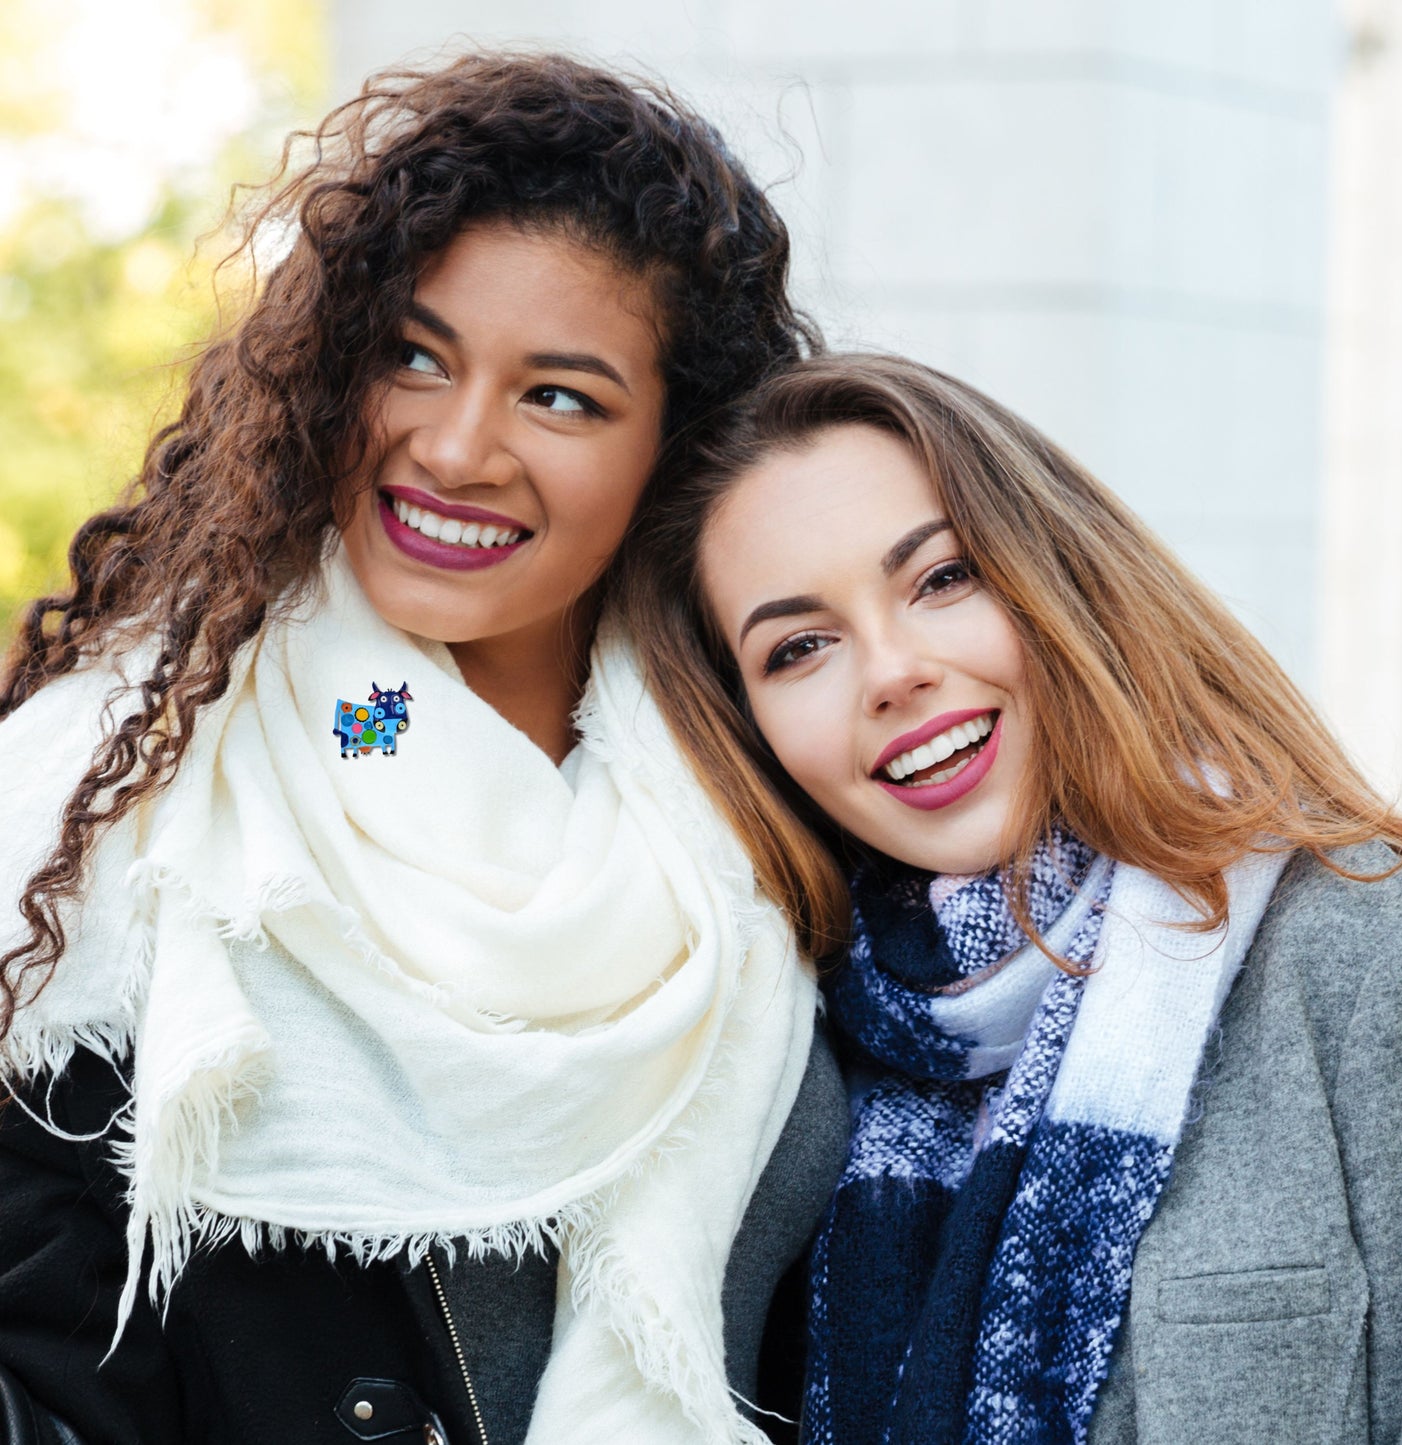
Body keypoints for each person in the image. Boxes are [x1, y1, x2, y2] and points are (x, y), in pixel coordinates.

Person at [0, 54, 850, 1445]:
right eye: (413, 353)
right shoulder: (121, 785)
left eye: (559, 397)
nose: (454, 447)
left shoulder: (760, 780)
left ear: (670, 451)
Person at [620, 351, 1402, 1444]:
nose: (889, 670)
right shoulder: (765, 1064)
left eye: (940, 578)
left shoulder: (1375, 955)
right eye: (799, 646)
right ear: (749, 731)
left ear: (1056, 572)